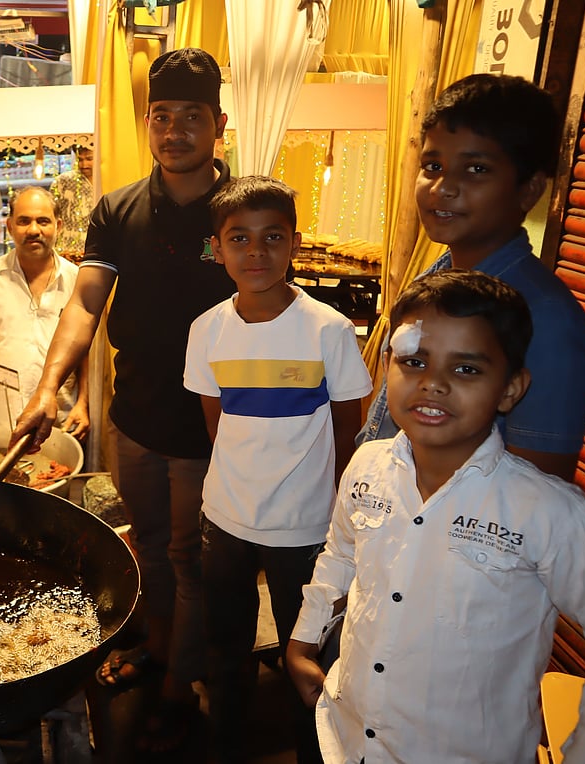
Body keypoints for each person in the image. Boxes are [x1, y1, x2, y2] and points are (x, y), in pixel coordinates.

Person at [287, 270, 585, 763]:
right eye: (415, 361)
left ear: (510, 389)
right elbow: (340, 554)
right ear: (386, 368)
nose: (433, 383)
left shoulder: (552, 515)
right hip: (341, 739)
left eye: (466, 369)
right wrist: (303, 638)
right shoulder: (367, 465)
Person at [10, 47, 234, 753]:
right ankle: (160, 649)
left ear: (218, 123)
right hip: (135, 415)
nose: (174, 131)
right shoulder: (117, 209)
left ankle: (177, 685)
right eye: (161, 117)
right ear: (147, 123)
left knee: (191, 556)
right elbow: (85, 301)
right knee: (149, 546)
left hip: (213, 424)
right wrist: (48, 387)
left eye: (191, 117)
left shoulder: (242, 208)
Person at [184, 176, 373, 764]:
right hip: (226, 520)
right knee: (226, 648)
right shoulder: (207, 329)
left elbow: (350, 431)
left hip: (304, 528)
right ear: (218, 249)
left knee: (306, 654)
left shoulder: (329, 330)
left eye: (272, 237)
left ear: (294, 243)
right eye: (239, 238)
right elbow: (217, 425)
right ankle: (227, 745)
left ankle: (310, 751)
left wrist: (338, 519)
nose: (256, 252)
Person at [359, 73, 585, 482]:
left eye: (475, 169)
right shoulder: (439, 276)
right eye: (432, 165)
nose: (443, 187)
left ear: (529, 191)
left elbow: (535, 491)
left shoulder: (546, 320)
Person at [0, 186, 89, 445]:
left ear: (57, 225)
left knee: (55, 482)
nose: (33, 230)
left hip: (60, 420)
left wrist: (83, 403)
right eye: (24, 221)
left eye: (43, 221)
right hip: (1, 421)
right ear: (10, 226)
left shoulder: (76, 280)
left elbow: (86, 350)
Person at [50, 145, 95, 263]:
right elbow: (50, 212)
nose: (84, 165)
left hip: (96, 249)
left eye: (89, 159)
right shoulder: (64, 180)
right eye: (80, 159)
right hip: (66, 249)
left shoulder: (109, 179)